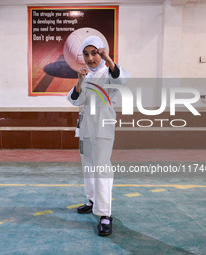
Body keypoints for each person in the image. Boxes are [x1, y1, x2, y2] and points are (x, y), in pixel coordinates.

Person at [67, 35, 130, 236]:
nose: (90, 58)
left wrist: (109, 59)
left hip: (103, 127)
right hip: (86, 128)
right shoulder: (85, 75)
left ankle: (105, 215)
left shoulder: (109, 72)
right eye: (86, 54)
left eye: (94, 53)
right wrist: (79, 80)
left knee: (102, 168)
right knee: (88, 165)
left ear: (101, 53)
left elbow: (122, 80)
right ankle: (92, 200)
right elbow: (75, 100)